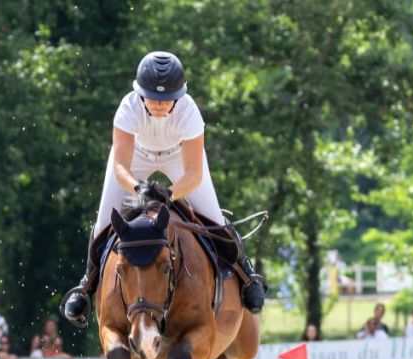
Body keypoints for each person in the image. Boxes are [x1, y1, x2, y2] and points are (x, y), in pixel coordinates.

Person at [60, 51, 267, 328]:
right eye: (153, 98)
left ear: (179, 95)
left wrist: (169, 193)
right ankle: (86, 284)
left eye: (166, 99)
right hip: (136, 157)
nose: (159, 105)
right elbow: (121, 165)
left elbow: (193, 174)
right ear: (140, 92)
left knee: (215, 220)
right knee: (102, 224)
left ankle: (246, 274)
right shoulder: (128, 108)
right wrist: (139, 188)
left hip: (178, 158)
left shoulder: (189, 112)